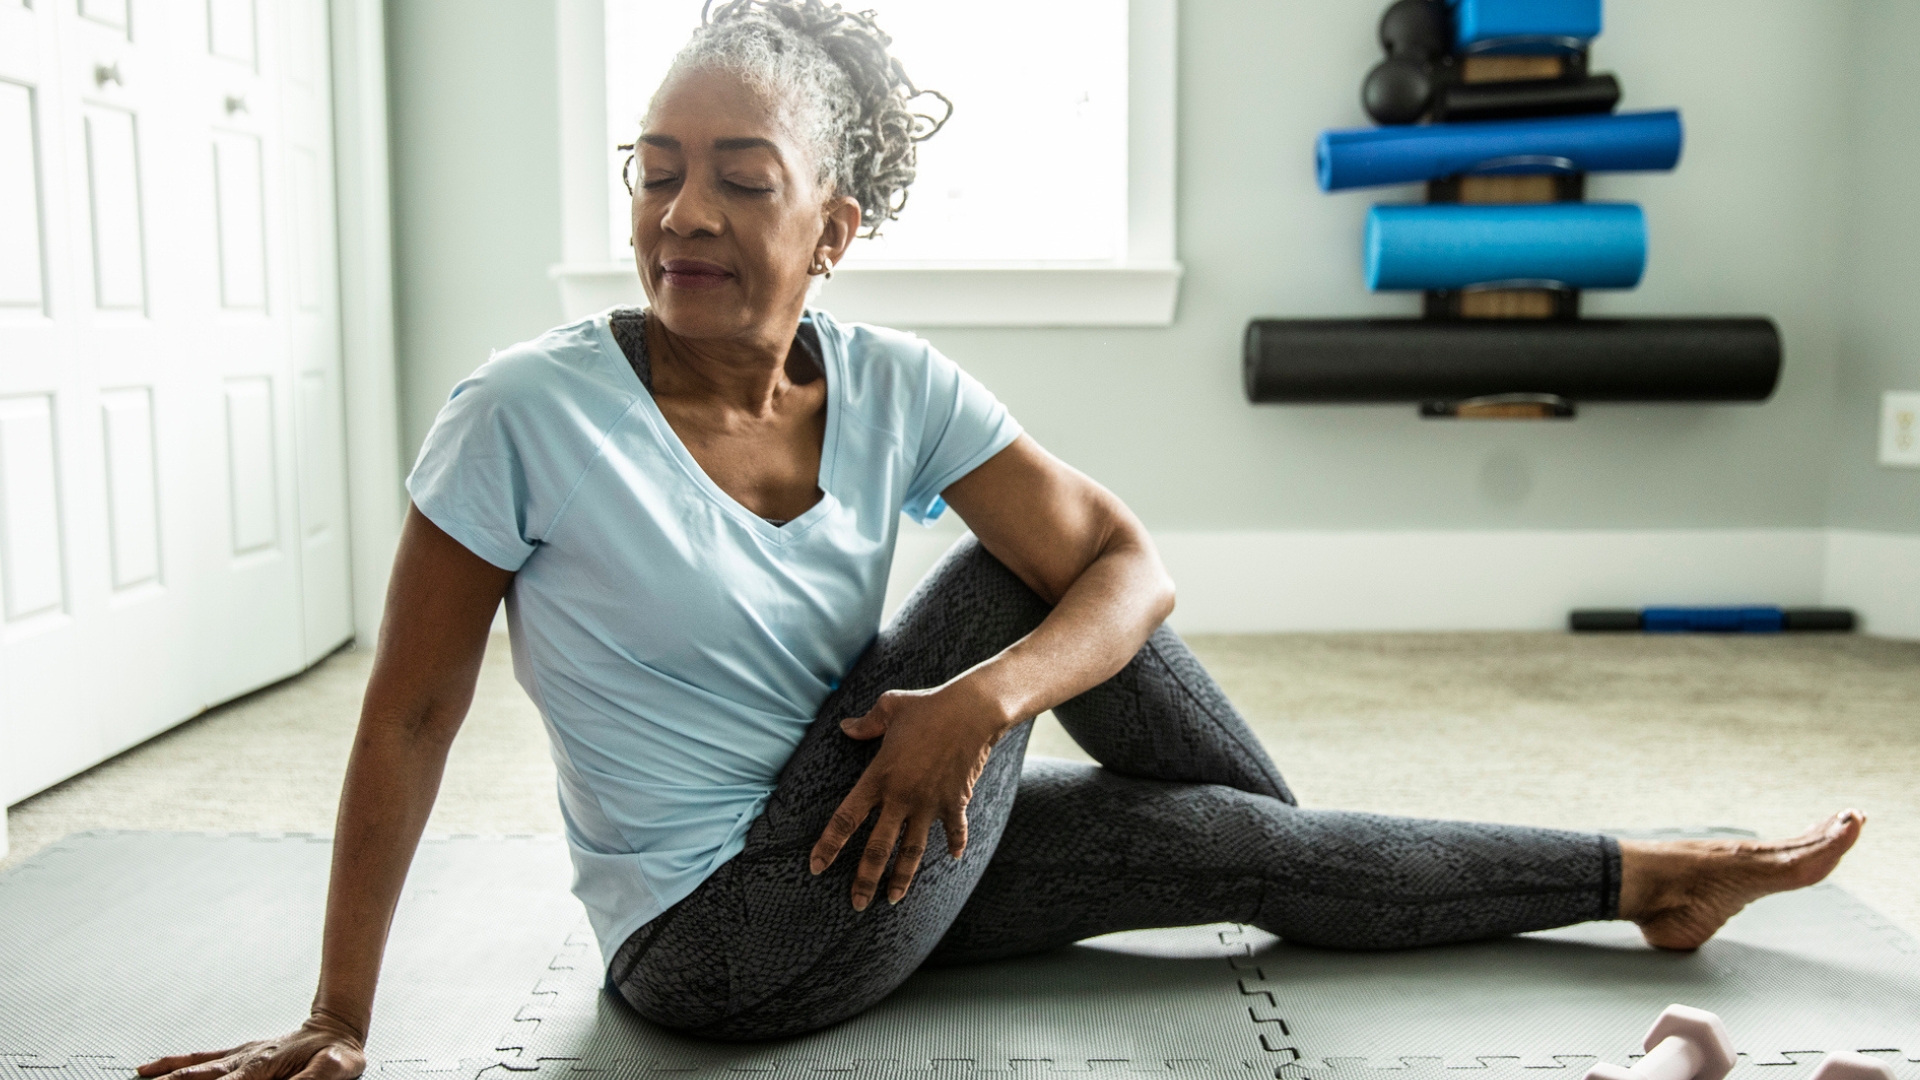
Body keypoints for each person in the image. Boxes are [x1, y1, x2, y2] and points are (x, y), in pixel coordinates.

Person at [139, 1, 1864, 1074]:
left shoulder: (889, 382)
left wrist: (983, 704)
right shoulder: (521, 413)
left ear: (835, 226)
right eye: (654, 168)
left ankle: (1653, 880)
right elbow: (412, 715)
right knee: (1030, 602)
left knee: (1215, 817)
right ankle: (1299, 838)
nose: (682, 214)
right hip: (719, 945)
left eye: (744, 178)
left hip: (878, 844)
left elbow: (1135, 562)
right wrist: (340, 1016)